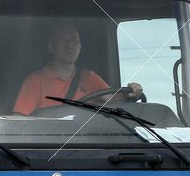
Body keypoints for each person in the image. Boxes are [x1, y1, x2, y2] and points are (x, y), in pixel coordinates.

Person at [12, 24, 143, 115]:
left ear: (80, 46)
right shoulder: (36, 80)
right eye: (64, 40)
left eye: (74, 40)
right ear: (51, 47)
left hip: (85, 143)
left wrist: (129, 93)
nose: (70, 45)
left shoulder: (89, 78)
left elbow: (114, 101)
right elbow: (20, 120)